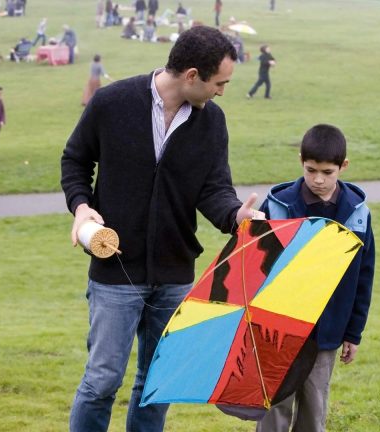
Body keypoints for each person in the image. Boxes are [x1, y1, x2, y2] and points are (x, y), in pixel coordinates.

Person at [60, 25, 261, 432]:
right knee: (102, 381)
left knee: (157, 387)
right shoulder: (112, 103)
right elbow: (75, 160)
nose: (222, 91)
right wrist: (81, 209)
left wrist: (236, 216)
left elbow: (214, 189)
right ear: (192, 76)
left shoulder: (212, 122)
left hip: (174, 276)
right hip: (115, 273)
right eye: (219, 83)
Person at [255, 124, 375, 432]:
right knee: (274, 405)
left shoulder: (357, 214)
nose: (318, 179)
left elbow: (363, 276)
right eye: (311, 170)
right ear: (300, 162)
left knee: (314, 407)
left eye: (327, 171)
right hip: (277, 326)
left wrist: (353, 332)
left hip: (327, 330)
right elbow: (255, 266)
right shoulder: (277, 206)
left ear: (342, 167)